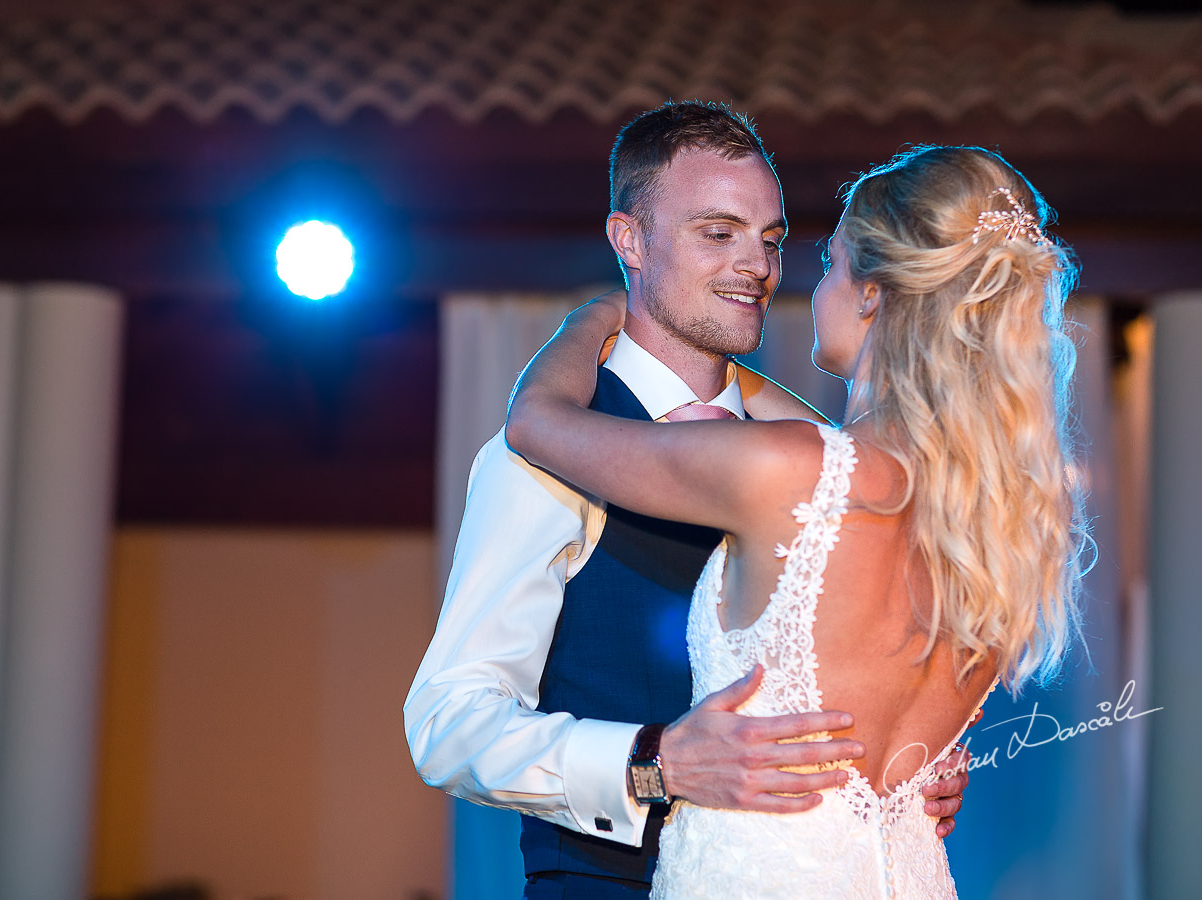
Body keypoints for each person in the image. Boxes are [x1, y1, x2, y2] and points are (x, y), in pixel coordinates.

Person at [404, 101, 971, 899]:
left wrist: (906, 768)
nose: (757, 266)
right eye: (718, 233)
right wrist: (651, 763)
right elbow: (447, 723)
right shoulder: (546, 455)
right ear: (629, 239)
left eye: (770, 239)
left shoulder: (816, 462)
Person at [504, 144, 1087, 898]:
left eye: (830, 262)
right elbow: (830, 450)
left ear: (874, 293)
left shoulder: (788, 471)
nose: (803, 287)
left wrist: (598, 317)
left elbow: (536, 423)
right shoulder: (992, 524)